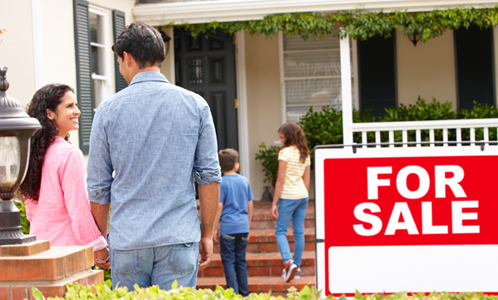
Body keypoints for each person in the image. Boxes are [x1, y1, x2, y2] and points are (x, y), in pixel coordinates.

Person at [87, 22, 221, 290]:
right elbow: (208, 177)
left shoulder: (107, 111)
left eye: (119, 62)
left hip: (128, 240)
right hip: (178, 236)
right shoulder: (196, 105)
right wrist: (207, 233)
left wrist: (100, 241)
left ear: (126, 57)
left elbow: (99, 186)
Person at [19, 84, 110, 269]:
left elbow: (31, 212)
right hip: (69, 252)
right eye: (69, 106)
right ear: (50, 113)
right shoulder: (69, 154)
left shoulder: (30, 154)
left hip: (40, 249)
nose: (77, 111)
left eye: (76, 105)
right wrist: (100, 248)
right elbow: (79, 211)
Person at [271, 122, 311, 282]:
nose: (281, 140)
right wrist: (303, 196)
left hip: (287, 196)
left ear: (288, 136)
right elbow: (306, 181)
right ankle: (297, 267)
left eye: (282, 137)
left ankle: (288, 262)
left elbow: (280, 180)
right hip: (302, 195)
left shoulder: (285, 153)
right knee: (298, 232)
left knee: (280, 231)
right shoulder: (305, 153)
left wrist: (274, 203)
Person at [214, 149, 254, 296]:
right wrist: (248, 226)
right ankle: (245, 294)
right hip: (243, 226)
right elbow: (250, 205)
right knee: (241, 262)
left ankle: (233, 294)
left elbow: (219, 206)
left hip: (228, 228)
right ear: (236, 165)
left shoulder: (221, 183)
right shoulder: (245, 181)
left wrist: (214, 228)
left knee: (229, 262)